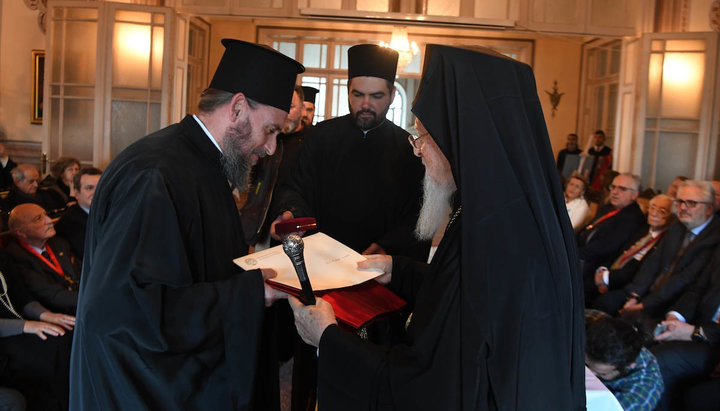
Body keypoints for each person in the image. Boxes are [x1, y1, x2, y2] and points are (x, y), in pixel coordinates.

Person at [288, 44, 585, 410]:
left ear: (462, 143)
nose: (417, 150)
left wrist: (329, 339)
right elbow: (458, 294)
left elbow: (432, 383)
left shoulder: (497, 238)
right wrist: (399, 270)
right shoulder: (492, 215)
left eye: (424, 137)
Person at [69, 39, 303, 409]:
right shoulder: (154, 175)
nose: (271, 148)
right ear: (238, 108)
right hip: (139, 389)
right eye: (271, 130)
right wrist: (251, 292)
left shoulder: (203, 164)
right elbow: (130, 309)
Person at [271, 44, 427, 260]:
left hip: (377, 265)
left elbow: (417, 214)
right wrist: (290, 212)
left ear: (392, 95)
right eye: (358, 94)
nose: (365, 104)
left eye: (376, 96)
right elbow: (297, 187)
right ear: (348, 90)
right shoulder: (320, 136)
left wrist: (387, 246)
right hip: (321, 259)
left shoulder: (408, 148)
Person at [596, 181, 720, 317]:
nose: (683, 208)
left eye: (691, 203)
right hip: (647, 291)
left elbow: (684, 279)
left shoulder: (714, 237)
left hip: (674, 302)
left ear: (709, 209)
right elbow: (653, 262)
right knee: (604, 303)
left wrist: (644, 304)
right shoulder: (677, 225)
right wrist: (635, 295)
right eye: (679, 202)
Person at [0, 248, 75, 410]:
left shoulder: (2, 256)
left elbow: (22, 296)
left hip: (22, 325)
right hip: (4, 341)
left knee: (66, 335)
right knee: (47, 355)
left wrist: (45, 315)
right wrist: (26, 326)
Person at [651, 254, 720, 411]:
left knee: (662, 359)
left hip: (715, 341)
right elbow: (697, 289)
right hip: (699, 326)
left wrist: (695, 332)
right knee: (646, 335)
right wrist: (675, 318)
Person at [588, 194, 674, 302]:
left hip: (627, 285)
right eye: (652, 208)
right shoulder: (642, 229)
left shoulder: (665, 240)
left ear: (672, 216)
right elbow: (618, 251)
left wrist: (606, 277)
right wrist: (603, 269)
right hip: (611, 273)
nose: (654, 213)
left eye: (662, 211)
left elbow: (639, 271)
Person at [5, 203, 80, 314]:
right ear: (20, 232)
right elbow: (51, 296)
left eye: (46, 215)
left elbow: (83, 272)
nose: (49, 220)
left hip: (81, 301)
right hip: (59, 314)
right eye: (38, 219)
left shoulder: (58, 243)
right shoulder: (16, 257)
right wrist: (93, 298)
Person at [585, 312, 664, 411]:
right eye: (586, 366)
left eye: (601, 374)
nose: (587, 375)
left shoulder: (642, 393)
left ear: (628, 367)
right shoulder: (590, 322)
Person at [577, 173, 645, 280]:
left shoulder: (632, 217)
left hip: (594, 264)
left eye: (622, 189)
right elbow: (587, 228)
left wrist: (574, 253)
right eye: (613, 187)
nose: (615, 192)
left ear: (634, 195)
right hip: (581, 253)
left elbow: (605, 248)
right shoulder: (608, 207)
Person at [54, 167, 102, 261]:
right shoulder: (68, 223)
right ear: (76, 193)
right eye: (89, 188)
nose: (96, 192)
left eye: (100, 187)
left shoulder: (113, 213)